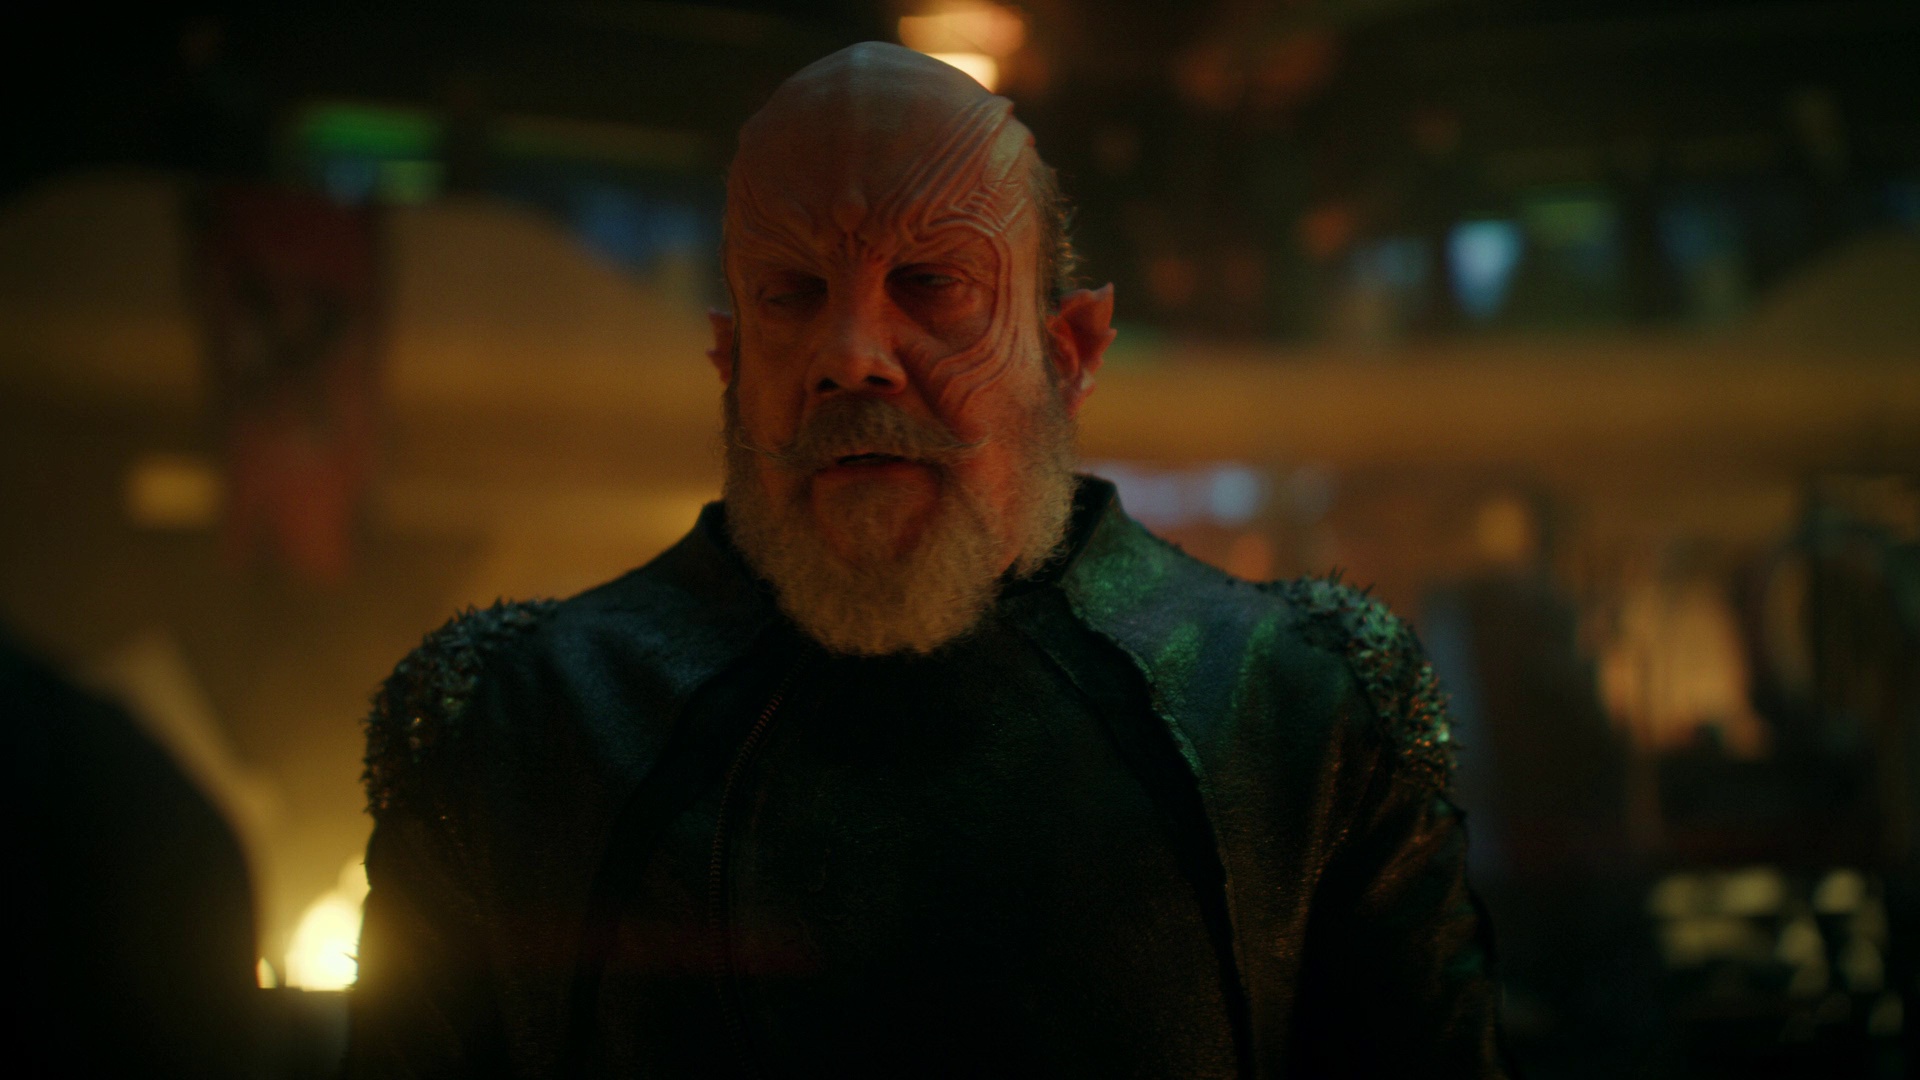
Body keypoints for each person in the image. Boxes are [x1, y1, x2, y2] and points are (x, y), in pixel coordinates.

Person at [348, 42, 1507, 1078]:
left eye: (932, 283)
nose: (852, 354)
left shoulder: (1303, 723)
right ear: (730, 360)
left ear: (1070, 351)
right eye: (793, 294)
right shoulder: (513, 736)